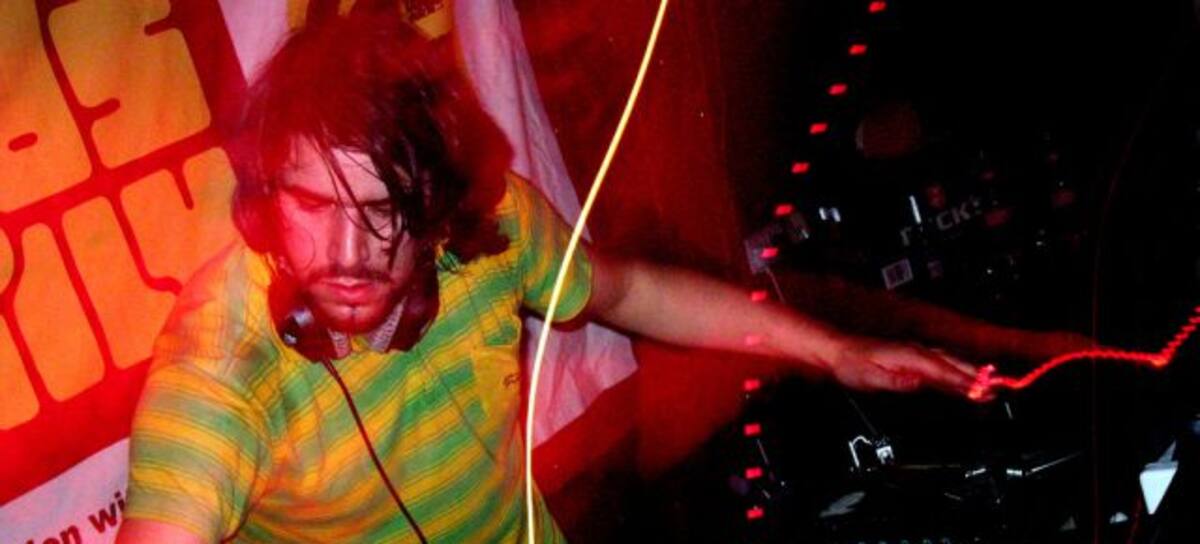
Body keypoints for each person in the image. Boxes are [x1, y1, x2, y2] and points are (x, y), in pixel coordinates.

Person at [115, 11, 979, 543]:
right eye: (313, 203)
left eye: (384, 210)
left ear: (436, 200)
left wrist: (837, 352)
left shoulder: (489, 233)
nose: (347, 251)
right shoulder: (223, 370)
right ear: (266, 196)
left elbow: (632, 292)